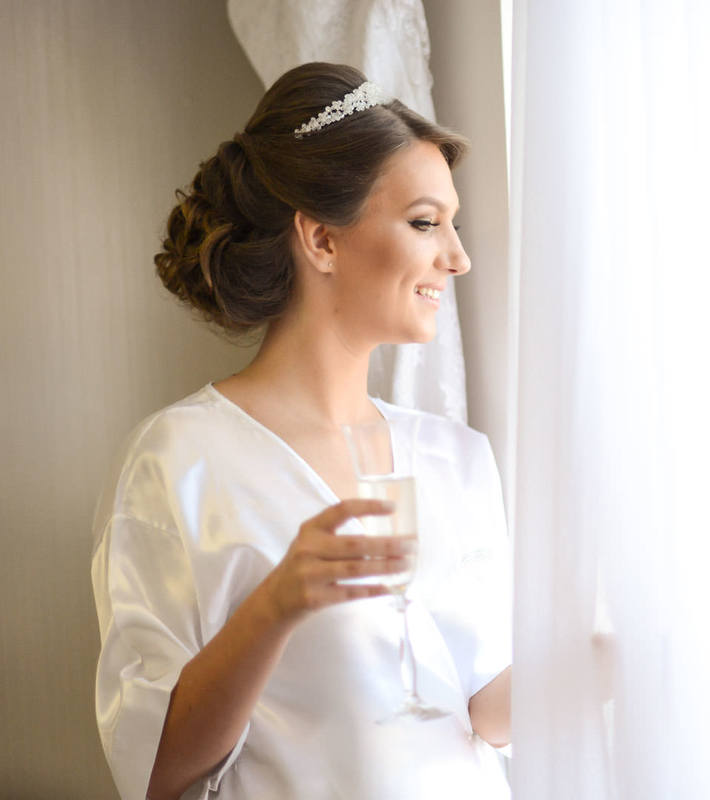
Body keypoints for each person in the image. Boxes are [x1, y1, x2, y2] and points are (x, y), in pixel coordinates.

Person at [91, 63, 512, 800]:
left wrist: (600, 652)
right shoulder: (180, 462)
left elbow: (480, 712)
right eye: (425, 223)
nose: (459, 257)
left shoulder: (459, 459)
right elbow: (155, 772)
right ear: (320, 238)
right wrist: (276, 603)